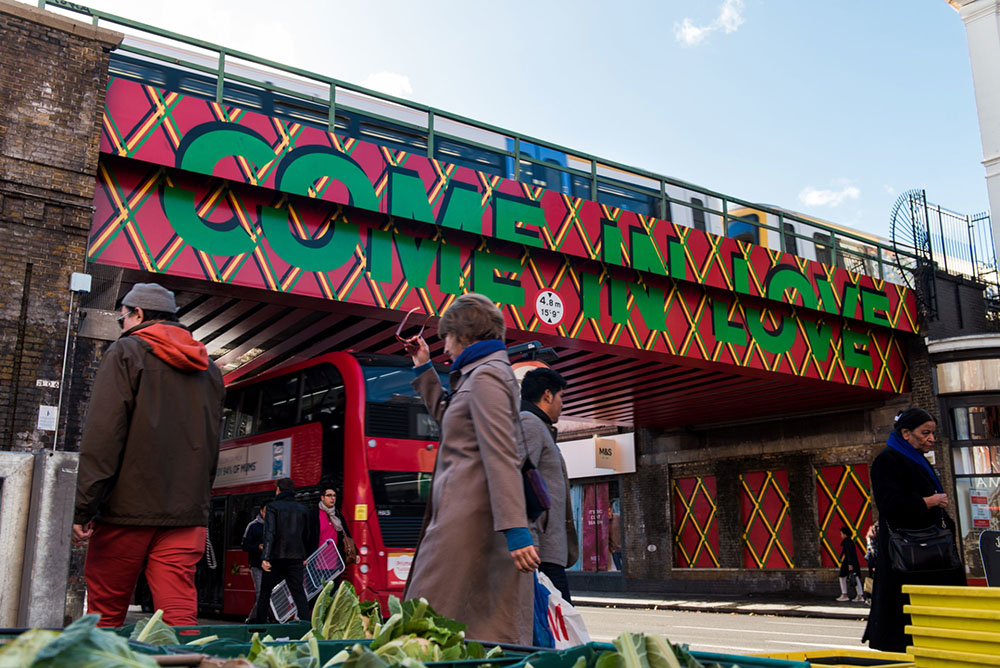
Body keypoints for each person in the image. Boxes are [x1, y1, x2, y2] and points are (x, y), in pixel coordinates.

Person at [72, 283, 225, 627]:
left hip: (126, 511)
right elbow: (212, 447)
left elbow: (103, 437)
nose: (121, 326)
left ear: (137, 314)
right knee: (178, 611)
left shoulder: (126, 352)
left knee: (106, 612)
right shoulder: (210, 369)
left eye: (121, 318)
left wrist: (84, 506)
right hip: (186, 513)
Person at [402, 293, 539, 644]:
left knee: (431, 618)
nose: (444, 347)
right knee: (442, 623)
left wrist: (515, 529)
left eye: (446, 337)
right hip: (463, 519)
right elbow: (453, 421)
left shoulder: (488, 376)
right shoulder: (477, 374)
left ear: (464, 335)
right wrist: (422, 366)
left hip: (473, 524)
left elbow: (501, 452)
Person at [863, 408, 966, 652]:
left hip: (929, 550)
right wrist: (929, 501)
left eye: (933, 433)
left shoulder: (914, 458)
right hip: (911, 552)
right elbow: (889, 503)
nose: (931, 438)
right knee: (910, 615)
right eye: (925, 433)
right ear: (906, 433)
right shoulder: (887, 459)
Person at [520, 367, 577, 603]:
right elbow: (517, 480)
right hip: (539, 552)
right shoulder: (529, 423)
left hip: (547, 551)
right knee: (561, 627)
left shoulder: (539, 426)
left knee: (553, 628)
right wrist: (530, 539)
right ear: (547, 395)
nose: (562, 404)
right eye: (561, 396)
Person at [252, 478, 314, 623]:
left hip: (275, 557)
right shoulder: (303, 509)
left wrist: (265, 557)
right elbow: (307, 535)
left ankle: (261, 626)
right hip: (296, 558)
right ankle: (306, 625)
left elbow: (270, 533)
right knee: (298, 593)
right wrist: (304, 555)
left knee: (265, 593)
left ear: (279, 490)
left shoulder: (273, 507)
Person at [311, 487, 357, 579]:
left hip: (335, 562)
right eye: (329, 495)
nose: (333, 498)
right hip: (317, 562)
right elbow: (308, 536)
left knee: (333, 590)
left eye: (334, 496)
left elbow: (347, 535)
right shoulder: (313, 514)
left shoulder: (337, 515)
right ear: (322, 498)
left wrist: (357, 553)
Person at [241, 506, 266, 622]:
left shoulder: (275, 525)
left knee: (268, 593)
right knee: (261, 593)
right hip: (256, 564)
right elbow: (244, 546)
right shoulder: (253, 526)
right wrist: (257, 546)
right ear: (261, 511)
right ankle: (253, 618)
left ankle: (260, 617)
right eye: (266, 512)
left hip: (271, 565)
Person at [836, 526, 864, 602]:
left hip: (848, 562)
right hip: (852, 562)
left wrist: (850, 564)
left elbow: (849, 553)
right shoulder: (850, 541)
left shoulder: (847, 541)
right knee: (855, 577)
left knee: (843, 576)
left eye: (841, 534)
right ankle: (860, 595)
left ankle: (845, 595)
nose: (841, 535)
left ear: (845, 534)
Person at [863, 524, 878, 604]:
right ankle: (870, 597)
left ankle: (869, 597)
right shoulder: (873, 539)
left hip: (872, 562)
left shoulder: (870, 538)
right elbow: (873, 551)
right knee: (874, 579)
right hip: (874, 562)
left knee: (871, 578)